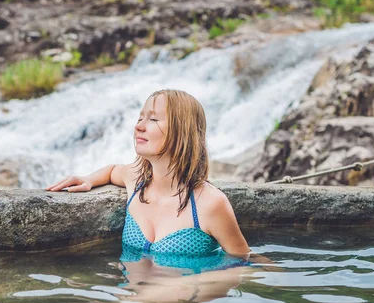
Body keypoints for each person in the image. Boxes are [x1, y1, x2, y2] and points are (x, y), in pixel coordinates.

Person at [46, 89, 251, 257]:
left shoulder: (210, 203)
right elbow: (112, 171)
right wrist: (88, 180)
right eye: (140, 118)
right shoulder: (135, 179)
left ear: (183, 131)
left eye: (153, 120)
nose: (138, 126)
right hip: (132, 302)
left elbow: (241, 263)